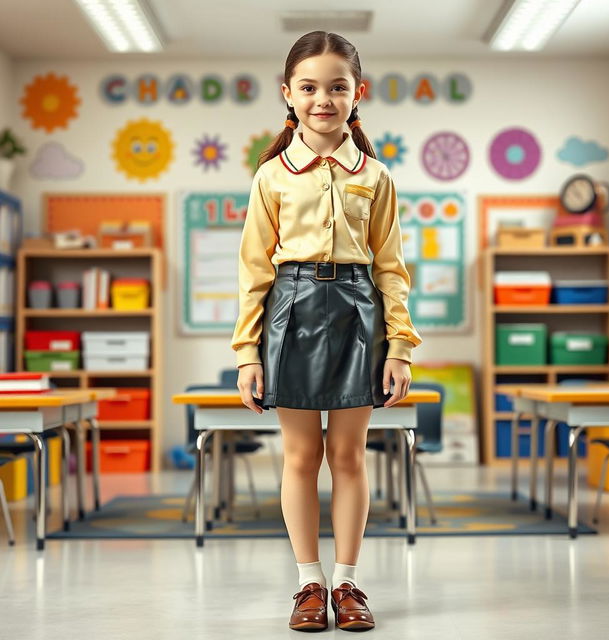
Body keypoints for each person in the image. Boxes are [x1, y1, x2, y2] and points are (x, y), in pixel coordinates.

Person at [231, 30, 422, 632]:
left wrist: (400, 346)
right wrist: (246, 353)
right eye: (309, 87)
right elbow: (254, 270)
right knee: (300, 454)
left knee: (347, 455)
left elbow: (391, 268)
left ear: (357, 93)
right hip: (290, 311)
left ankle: (347, 583)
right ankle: (308, 584)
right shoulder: (271, 176)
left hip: (358, 313)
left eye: (337, 87)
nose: (323, 99)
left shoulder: (377, 175)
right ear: (288, 94)